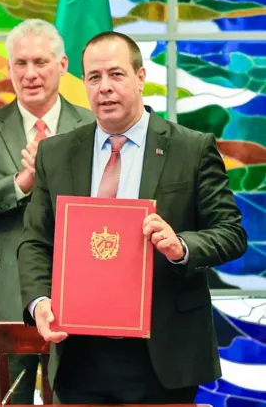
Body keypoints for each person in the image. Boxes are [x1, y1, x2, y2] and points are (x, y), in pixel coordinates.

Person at [17, 31, 248, 404]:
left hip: (162, 354)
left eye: (116, 74)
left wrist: (182, 247)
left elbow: (231, 233)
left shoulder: (190, 148)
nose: (104, 87)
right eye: (94, 77)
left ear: (140, 78)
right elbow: (35, 241)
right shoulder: (56, 154)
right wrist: (39, 301)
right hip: (79, 356)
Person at [0, 18, 94, 405]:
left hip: (77, 297)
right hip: (1, 299)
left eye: (40, 62)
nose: (30, 74)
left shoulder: (93, 126)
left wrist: (55, 180)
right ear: (8, 68)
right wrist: (19, 183)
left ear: (62, 65)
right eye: (20, 64)